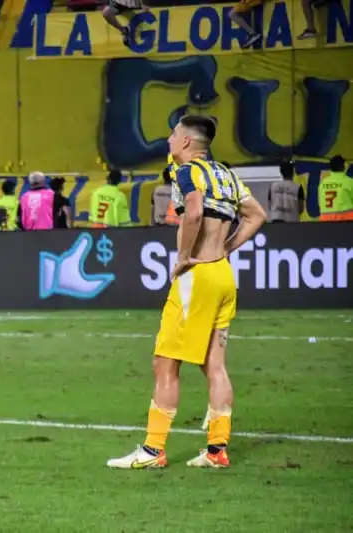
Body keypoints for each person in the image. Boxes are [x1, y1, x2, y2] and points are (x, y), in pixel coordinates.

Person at [107, 115, 267, 470]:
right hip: (223, 275)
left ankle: (152, 452)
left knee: (165, 364)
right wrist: (226, 248)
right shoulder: (226, 173)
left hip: (197, 277)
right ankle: (217, 451)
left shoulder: (186, 172)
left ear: (186, 143)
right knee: (216, 367)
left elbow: (192, 211)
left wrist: (183, 258)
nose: (168, 138)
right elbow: (256, 215)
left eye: (173, 134)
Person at [318, 155, 353, 222]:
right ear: (344, 166)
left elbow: (320, 203)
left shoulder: (322, 184)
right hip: (346, 222)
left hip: (326, 223)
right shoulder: (349, 182)